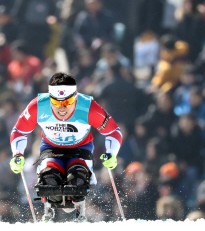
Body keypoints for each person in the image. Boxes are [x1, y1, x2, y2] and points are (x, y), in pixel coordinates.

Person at [8, 73, 122, 222]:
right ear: (49, 99)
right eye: (56, 103)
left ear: (75, 97)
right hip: (51, 149)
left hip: (80, 149)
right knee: (49, 181)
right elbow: (19, 131)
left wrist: (112, 154)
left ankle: (79, 207)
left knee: (77, 183)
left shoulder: (88, 107)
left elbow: (113, 131)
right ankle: (49, 209)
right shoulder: (38, 106)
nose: (61, 108)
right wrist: (17, 154)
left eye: (67, 102)